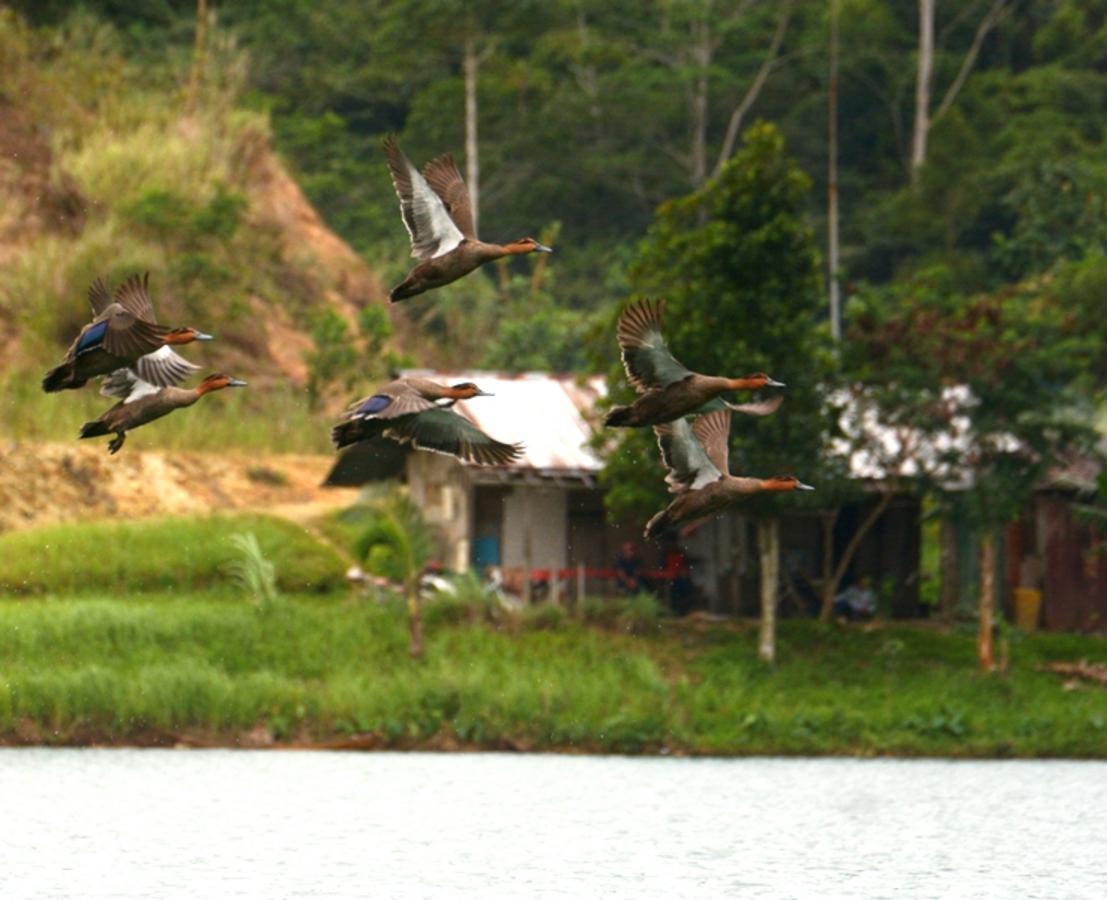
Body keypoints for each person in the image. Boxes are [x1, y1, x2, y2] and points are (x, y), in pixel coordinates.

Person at [662, 539, 694, 616]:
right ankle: (674, 612)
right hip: (672, 579)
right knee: (673, 593)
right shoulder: (666, 555)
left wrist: (684, 571)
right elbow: (665, 569)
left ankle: (683, 612)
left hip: (680, 579)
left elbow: (685, 567)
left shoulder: (680, 554)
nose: (672, 545)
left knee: (683, 591)